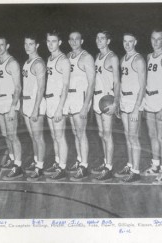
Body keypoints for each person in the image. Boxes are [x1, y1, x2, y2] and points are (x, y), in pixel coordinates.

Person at [144, 29, 162, 184]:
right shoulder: (149, 57)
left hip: (161, 101)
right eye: (153, 38)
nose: (155, 42)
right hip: (149, 99)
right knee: (152, 135)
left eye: (159, 39)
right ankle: (155, 165)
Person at [115, 33, 146, 183]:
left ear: (136, 42)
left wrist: (136, 108)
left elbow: (143, 85)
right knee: (128, 136)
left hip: (134, 101)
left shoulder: (139, 60)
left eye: (130, 42)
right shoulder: (123, 59)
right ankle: (130, 165)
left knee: (134, 137)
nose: (127, 44)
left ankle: (136, 171)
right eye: (125, 41)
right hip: (124, 100)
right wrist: (119, 103)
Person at [65, 31, 95, 182]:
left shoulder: (86, 57)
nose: (74, 41)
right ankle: (79, 160)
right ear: (69, 41)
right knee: (76, 133)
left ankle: (84, 166)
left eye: (77, 39)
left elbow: (92, 84)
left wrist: (85, 106)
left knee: (81, 133)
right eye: (71, 39)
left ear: (82, 40)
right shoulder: (68, 56)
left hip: (80, 99)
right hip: (70, 98)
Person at [91, 30, 120, 182]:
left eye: (102, 38)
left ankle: (109, 167)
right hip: (97, 98)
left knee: (107, 135)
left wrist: (116, 102)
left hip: (107, 98)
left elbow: (117, 81)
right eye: (97, 38)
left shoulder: (112, 57)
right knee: (102, 134)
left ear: (108, 41)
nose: (99, 40)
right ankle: (105, 163)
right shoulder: (97, 57)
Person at [0, 36, 22, 180]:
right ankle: (12, 158)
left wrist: (13, 107)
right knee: (5, 135)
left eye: (2, 45)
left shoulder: (12, 63)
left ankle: (18, 166)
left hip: (9, 101)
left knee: (13, 135)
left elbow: (18, 87)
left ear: (7, 45)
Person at [43, 30, 70, 181]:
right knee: (54, 136)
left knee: (60, 136)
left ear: (60, 42)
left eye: (54, 41)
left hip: (59, 102)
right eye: (48, 41)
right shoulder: (49, 58)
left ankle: (63, 168)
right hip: (49, 101)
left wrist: (60, 108)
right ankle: (57, 162)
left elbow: (65, 86)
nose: (50, 44)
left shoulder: (63, 60)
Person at [22, 34, 47, 181]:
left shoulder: (38, 63)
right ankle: (37, 160)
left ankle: (40, 167)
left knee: (38, 137)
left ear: (37, 45)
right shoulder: (27, 62)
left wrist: (36, 108)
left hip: (35, 103)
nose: (27, 46)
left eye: (31, 44)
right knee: (33, 137)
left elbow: (41, 88)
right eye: (26, 43)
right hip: (27, 103)